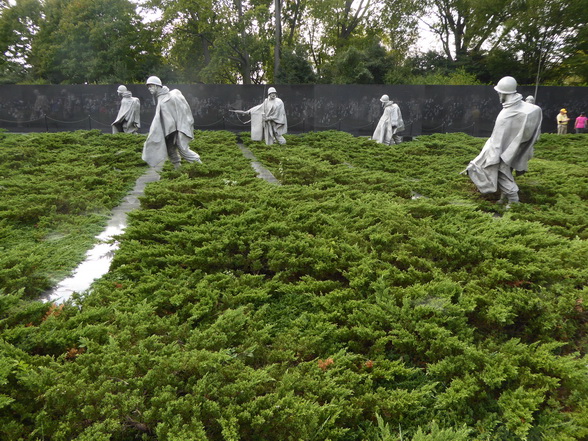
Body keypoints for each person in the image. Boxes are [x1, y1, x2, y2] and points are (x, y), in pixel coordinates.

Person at [462, 76, 542, 208]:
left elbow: (497, 141)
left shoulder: (506, 114)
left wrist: (490, 158)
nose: (498, 95)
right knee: (506, 171)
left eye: (499, 93)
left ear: (503, 94)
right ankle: (503, 197)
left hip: (503, 151)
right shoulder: (532, 109)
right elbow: (535, 135)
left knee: (500, 172)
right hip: (516, 149)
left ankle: (513, 200)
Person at [142, 76, 202, 168]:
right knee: (170, 150)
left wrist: (178, 128)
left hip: (176, 129)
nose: (149, 89)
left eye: (151, 86)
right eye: (148, 87)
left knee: (183, 150)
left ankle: (201, 167)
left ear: (157, 85)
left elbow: (180, 112)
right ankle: (178, 170)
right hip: (169, 131)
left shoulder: (169, 97)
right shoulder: (161, 98)